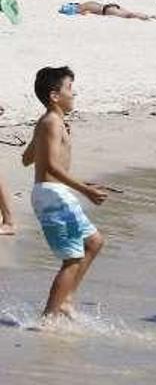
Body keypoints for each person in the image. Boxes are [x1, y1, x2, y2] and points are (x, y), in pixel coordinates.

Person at [22, 66, 108, 319]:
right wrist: (85, 189)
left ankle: (66, 298)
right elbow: (49, 166)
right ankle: (48, 318)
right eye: (69, 89)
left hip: (54, 194)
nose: (74, 93)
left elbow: (27, 159)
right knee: (72, 258)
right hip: (53, 196)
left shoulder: (51, 123)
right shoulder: (51, 122)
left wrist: (41, 139)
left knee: (94, 242)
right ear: (54, 96)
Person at [57, 1, 156, 20]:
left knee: (128, 15)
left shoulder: (83, 8)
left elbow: (85, 13)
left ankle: (146, 17)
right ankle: (147, 16)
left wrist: (81, 13)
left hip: (106, 10)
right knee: (129, 13)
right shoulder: (87, 2)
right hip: (110, 5)